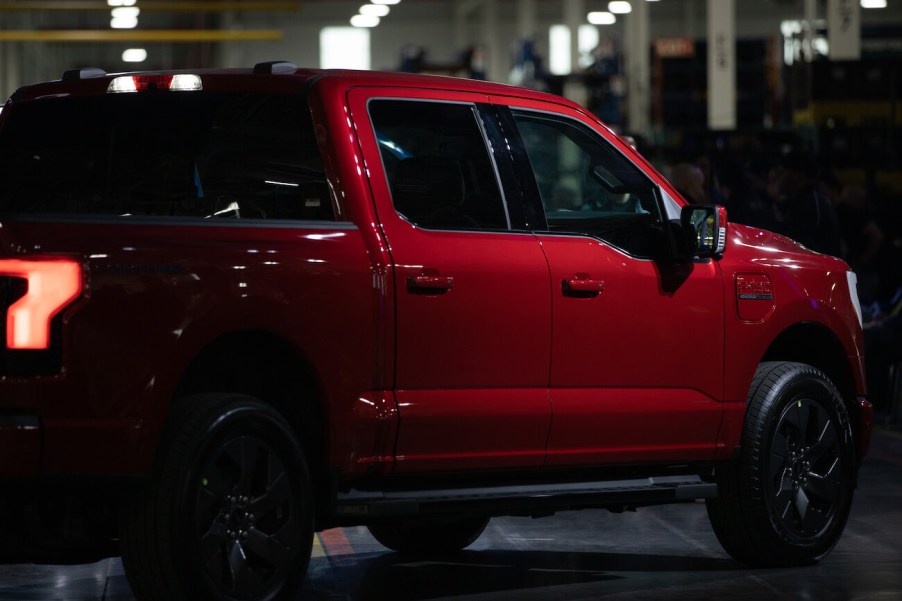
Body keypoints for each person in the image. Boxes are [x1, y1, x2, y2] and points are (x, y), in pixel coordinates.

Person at [769, 150, 841, 257]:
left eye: (783, 172)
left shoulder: (809, 204)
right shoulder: (804, 200)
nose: (779, 178)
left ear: (797, 176)